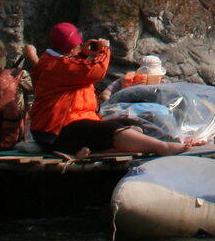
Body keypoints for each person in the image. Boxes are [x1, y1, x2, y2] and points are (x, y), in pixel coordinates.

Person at [25, 22, 201, 159]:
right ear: (70, 47)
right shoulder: (56, 66)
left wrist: (84, 54)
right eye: (77, 45)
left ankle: (94, 150)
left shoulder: (56, 62)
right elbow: (96, 70)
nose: (80, 47)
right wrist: (104, 50)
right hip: (57, 131)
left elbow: (74, 67)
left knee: (132, 125)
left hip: (71, 122)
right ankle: (162, 148)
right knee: (111, 130)